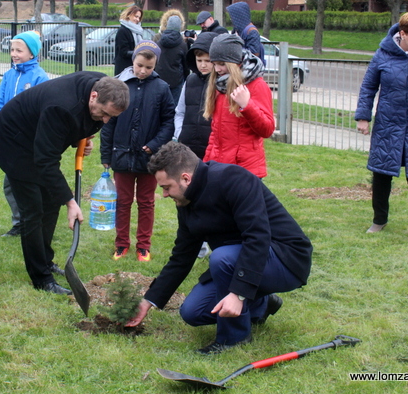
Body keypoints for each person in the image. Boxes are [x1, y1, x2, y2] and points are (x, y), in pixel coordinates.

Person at [127, 141, 313, 354]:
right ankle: (261, 304)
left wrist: (239, 293)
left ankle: (233, 339)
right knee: (192, 312)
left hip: (286, 259)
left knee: (221, 258)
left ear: (186, 178)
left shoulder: (233, 179)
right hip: (244, 261)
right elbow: (182, 256)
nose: (165, 195)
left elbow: (257, 237)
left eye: (166, 187)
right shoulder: (186, 201)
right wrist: (149, 300)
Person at [0, 72, 130, 294]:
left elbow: (70, 127)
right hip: (14, 143)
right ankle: (41, 279)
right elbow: (45, 160)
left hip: (38, 136)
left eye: (111, 117)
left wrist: (79, 137)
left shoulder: (103, 85)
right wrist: (70, 201)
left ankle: (45, 260)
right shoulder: (62, 107)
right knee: (33, 211)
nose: (105, 120)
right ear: (93, 96)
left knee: (50, 202)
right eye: (103, 113)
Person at [356, 9, 408, 243]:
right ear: (403, 33)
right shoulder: (382, 55)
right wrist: (363, 117)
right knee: (381, 174)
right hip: (388, 124)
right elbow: (368, 87)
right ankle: (379, 220)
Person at [101, 41, 175, 262]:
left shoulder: (162, 88)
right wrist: (106, 155)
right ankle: (121, 244)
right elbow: (108, 122)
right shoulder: (120, 85)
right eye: (139, 65)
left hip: (148, 158)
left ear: (155, 66)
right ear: (133, 61)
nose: (143, 71)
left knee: (146, 202)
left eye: (149, 67)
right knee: (122, 201)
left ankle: (143, 246)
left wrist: (154, 145)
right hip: (121, 155)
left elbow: (168, 122)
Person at [0, 31, 49, 238]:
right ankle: (20, 222)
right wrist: (0, 124)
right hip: (9, 140)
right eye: (12, 49)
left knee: (33, 182)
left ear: (32, 54)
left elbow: (42, 110)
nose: (14, 54)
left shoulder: (39, 77)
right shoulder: (9, 75)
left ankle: (37, 219)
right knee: (11, 183)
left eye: (19, 50)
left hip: (29, 141)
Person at [202, 33, 274, 178]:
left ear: (236, 62)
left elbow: (267, 129)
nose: (217, 69)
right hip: (219, 167)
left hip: (246, 171)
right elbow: (216, 134)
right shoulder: (220, 85)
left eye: (222, 64)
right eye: (214, 63)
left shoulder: (257, 85)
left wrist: (247, 105)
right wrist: (206, 165)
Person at [174, 31, 216, 159]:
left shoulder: (220, 84)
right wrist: (180, 132)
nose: (203, 65)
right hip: (188, 145)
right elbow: (180, 111)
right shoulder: (190, 80)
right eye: (199, 60)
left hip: (211, 146)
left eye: (208, 61)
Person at [155, 10, 189, 103]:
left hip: (160, 79)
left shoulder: (158, 42)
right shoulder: (182, 44)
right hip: (176, 81)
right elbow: (186, 66)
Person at [114, 5, 144, 75]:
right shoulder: (122, 31)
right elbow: (123, 52)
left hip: (134, 66)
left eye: (139, 17)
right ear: (129, 15)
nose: (137, 19)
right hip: (124, 68)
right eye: (136, 16)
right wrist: (138, 53)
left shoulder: (138, 31)